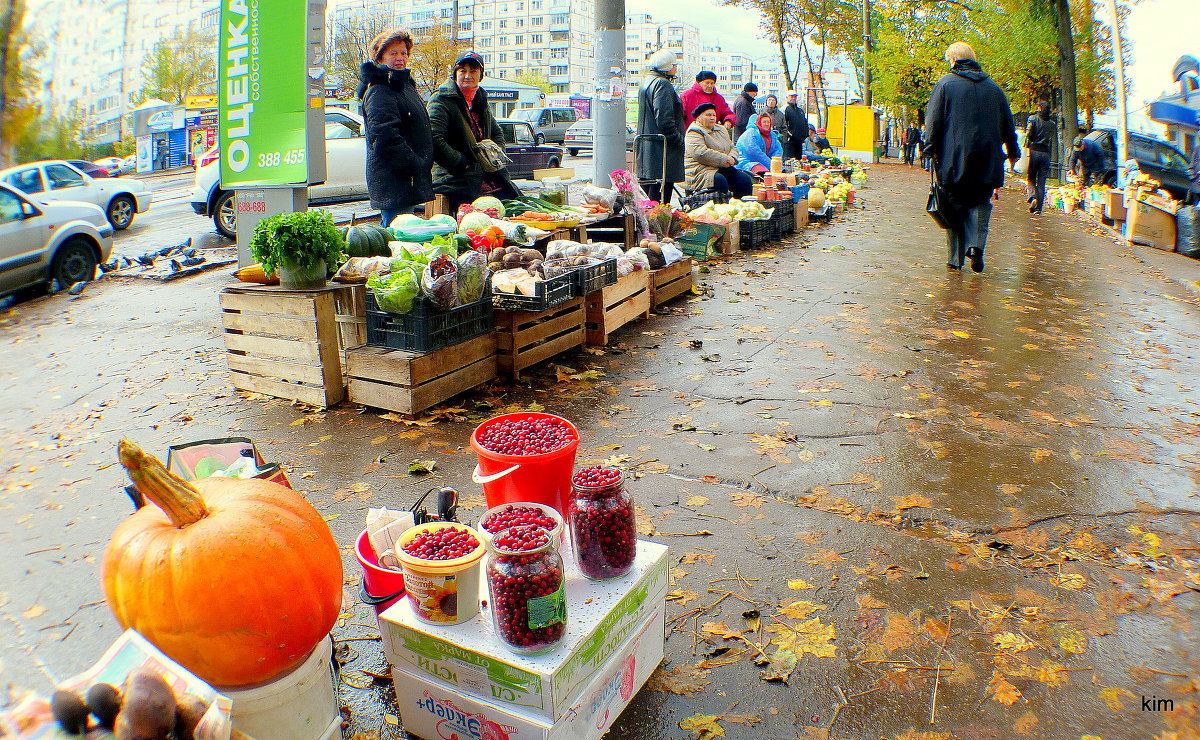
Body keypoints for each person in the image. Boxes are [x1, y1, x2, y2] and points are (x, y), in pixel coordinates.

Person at [923, 42, 1019, 273]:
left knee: (954, 205)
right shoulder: (995, 89)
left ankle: (955, 260)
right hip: (988, 160)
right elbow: (1008, 125)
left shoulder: (945, 84)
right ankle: (977, 246)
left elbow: (934, 122)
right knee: (980, 201)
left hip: (954, 159)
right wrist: (1013, 152)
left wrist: (929, 149)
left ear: (954, 60)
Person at [358, 28, 434, 228]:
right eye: (393, 53)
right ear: (380, 57)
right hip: (394, 182)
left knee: (402, 233)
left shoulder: (403, 85)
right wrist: (415, 164)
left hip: (406, 180)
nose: (400, 58)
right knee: (397, 236)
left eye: (404, 53)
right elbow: (386, 137)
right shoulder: (380, 90)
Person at [428, 51, 520, 214]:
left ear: (480, 75)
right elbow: (433, 138)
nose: (467, 75)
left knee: (515, 208)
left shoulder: (480, 99)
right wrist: (460, 162)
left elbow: (497, 133)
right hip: (454, 179)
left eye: (473, 71)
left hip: (485, 176)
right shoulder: (441, 99)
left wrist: (494, 157)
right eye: (462, 70)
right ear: (455, 73)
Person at [636, 48, 685, 203]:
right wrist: (678, 139)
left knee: (649, 196)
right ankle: (656, 228)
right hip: (662, 150)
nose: (676, 67)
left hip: (647, 149)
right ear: (667, 67)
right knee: (660, 200)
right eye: (674, 64)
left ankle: (646, 227)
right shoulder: (662, 84)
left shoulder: (647, 82)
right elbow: (664, 120)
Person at [684, 103, 753, 198]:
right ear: (699, 118)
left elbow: (732, 147)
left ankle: (740, 208)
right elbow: (700, 153)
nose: (712, 118)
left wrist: (732, 158)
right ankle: (720, 209)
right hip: (701, 170)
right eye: (708, 115)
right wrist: (725, 159)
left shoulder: (721, 129)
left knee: (744, 180)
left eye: (714, 115)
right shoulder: (694, 131)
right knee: (719, 181)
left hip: (723, 167)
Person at [1024, 101, 1054, 214]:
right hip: (1046, 153)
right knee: (1042, 182)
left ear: (1040, 108)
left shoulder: (1033, 119)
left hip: (1034, 152)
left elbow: (1029, 135)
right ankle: (1038, 209)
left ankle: (1033, 197)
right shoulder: (1052, 124)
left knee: (1031, 178)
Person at [783, 91, 809, 160]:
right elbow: (783, 124)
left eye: (795, 97)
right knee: (790, 161)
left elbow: (805, 122)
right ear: (787, 97)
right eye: (791, 96)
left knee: (798, 162)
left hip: (799, 141)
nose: (793, 98)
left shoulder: (800, 110)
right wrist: (789, 135)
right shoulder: (785, 109)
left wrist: (805, 134)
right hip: (790, 141)